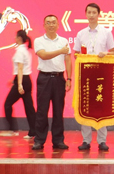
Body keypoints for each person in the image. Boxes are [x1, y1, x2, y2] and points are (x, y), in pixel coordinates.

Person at [74, 3, 114, 152]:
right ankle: (86, 140)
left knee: (101, 106)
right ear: (86, 14)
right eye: (89, 12)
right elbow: (76, 54)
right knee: (85, 106)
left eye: (94, 12)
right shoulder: (81, 34)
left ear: (99, 14)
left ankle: (102, 140)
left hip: (101, 74)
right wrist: (82, 56)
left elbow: (113, 52)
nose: (91, 15)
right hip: (86, 75)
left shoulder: (106, 32)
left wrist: (106, 53)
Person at [33, 15, 71, 151]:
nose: (51, 25)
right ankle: (39, 140)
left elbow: (68, 60)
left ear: (58, 25)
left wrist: (69, 78)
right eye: (48, 23)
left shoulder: (63, 40)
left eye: (53, 22)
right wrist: (60, 51)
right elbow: (43, 55)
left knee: (58, 111)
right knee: (42, 111)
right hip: (44, 78)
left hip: (59, 79)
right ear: (44, 25)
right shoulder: (39, 40)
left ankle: (58, 140)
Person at [1, 29, 37, 139]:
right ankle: (34, 131)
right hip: (26, 80)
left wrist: (19, 84)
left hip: (22, 81)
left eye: (16, 36)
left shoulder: (20, 52)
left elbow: (20, 68)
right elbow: (20, 69)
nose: (15, 38)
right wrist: (14, 80)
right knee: (29, 108)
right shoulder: (25, 50)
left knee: (7, 104)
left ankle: (12, 129)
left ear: (19, 38)